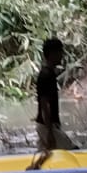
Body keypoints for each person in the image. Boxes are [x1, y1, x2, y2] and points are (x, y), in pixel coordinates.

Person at [33, 36, 76, 165]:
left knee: (44, 157)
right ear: (52, 54)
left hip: (45, 125)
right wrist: (50, 131)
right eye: (60, 52)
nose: (62, 55)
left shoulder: (48, 73)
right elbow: (45, 104)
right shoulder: (46, 75)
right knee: (72, 151)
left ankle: (32, 172)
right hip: (46, 125)